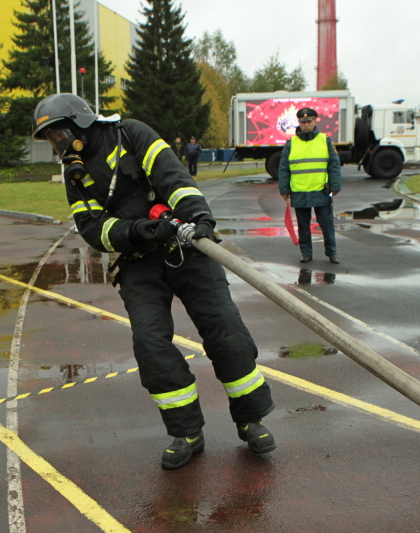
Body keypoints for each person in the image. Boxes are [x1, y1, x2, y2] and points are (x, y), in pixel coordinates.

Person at [32, 93, 276, 470]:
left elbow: (174, 178)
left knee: (226, 331)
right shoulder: (74, 173)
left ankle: (250, 420)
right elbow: (93, 229)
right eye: (52, 140)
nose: (58, 145)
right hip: (139, 261)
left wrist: (200, 219)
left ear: (79, 123)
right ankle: (187, 432)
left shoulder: (131, 134)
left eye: (59, 135)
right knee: (149, 343)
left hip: (188, 248)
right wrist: (141, 231)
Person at [278, 107, 342, 264]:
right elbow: (284, 168)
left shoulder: (325, 140)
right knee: (303, 225)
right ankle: (306, 253)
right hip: (299, 191)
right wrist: (284, 189)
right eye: (303, 121)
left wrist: (335, 186)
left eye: (309, 121)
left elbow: (334, 165)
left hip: (321, 190)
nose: (306, 124)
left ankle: (332, 253)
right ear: (299, 123)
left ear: (315, 121)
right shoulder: (291, 144)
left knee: (326, 223)